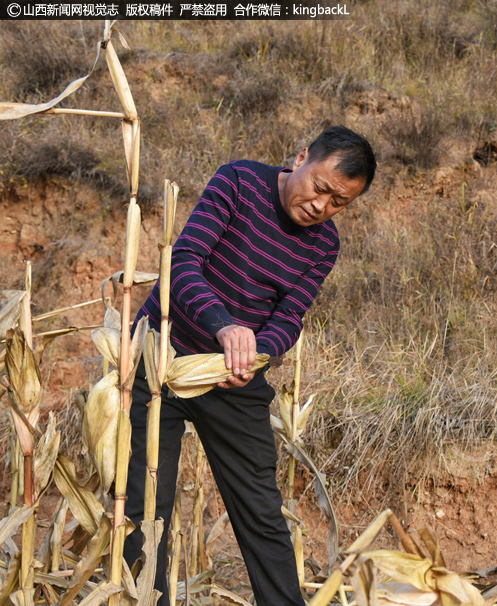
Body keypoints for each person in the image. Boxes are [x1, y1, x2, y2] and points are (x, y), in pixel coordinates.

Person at [123, 125, 377, 606]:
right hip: (160, 358)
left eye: (339, 203)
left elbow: (289, 317)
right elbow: (183, 264)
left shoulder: (324, 245)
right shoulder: (238, 181)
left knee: (262, 512)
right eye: (321, 188)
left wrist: (257, 354)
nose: (323, 207)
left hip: (233, 379)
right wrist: (224, 326)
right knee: (143, 507)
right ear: (301, 157)